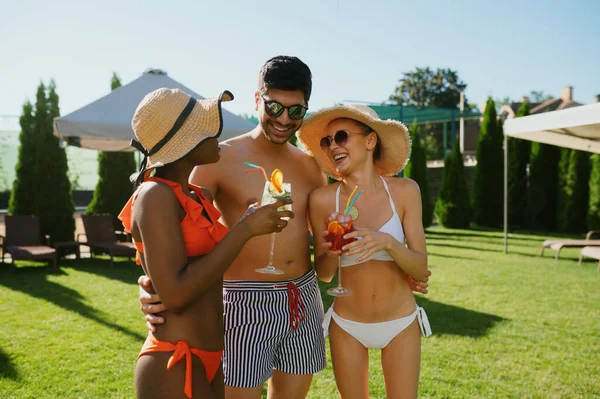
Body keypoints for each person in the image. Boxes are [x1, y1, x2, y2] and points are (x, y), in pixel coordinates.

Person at [138, 56, 328, 399]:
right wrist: (150, 284)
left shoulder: (310, 167)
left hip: (303, 296)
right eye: (274, 107)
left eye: (295, 111)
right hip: (242, 301)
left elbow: (322, 239)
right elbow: (172, 225)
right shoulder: (217, 158)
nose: (284, 120)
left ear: (306, 109)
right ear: (258, 100)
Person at [119, 88, 293, 399]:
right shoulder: (154, 195)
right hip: (175, 359)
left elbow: (192, 268)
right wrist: (244, 230)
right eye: (208, 128)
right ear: (184, 141)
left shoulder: (195, 195)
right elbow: (175, 294)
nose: (218, 134)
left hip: (211, 357)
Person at [299, 103, 432, 399]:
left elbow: (421, 269)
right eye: (327, 141)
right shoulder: (322, 200)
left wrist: (387, 242)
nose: (333, 146)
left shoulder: (405, 191)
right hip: (347, 325)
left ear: (370, 141)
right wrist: (333, 250)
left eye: (341, 136)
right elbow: (324, 274)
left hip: (401, 321)